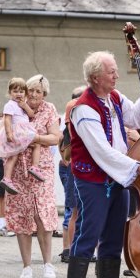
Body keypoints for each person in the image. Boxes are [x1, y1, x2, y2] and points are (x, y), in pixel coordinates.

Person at [63, 51, 140, 278]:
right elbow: (101, 151)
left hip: (117, 177)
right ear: (95, 77)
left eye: (116, 70)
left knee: (115, 233)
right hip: (93, 179)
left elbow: (136, 118)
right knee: (88, 232)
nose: (117, 75)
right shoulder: (83, 108)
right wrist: (136, 167)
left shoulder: (113, 97)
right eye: (111, 71)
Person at [4, 75, 62, 278]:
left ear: (44, 94)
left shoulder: (49, 109)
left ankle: (48, 265)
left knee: (43, 215)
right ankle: (27, 266)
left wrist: (34, 138)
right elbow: (6, 130)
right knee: (22, 215)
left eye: (39, 91)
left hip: (41, 168)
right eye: (31, 90)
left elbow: (55, 137)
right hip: (18, 167)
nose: (34, 94)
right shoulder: (15, 105)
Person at [0, 77, 44, 194]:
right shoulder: (10, 105)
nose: (18, 94)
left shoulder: (23, 104)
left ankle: (7, 178)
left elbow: (31, 114)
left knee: (14, 155)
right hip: (18, 132)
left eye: (21, 91)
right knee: (37, 144)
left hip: (22, 132)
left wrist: (24, 106)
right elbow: (7, 120)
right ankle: (35, 167)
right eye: (15, 91)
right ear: (9, 93)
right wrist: (9, 133)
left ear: (25, 93)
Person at [58, 86, 86, 262]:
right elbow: (63, 148)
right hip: (76, 169)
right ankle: (69, 249)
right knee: (73, 212)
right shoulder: (71, 124)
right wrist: (66, 160)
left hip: (76, 168)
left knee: (79, 213)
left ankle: (75, 250)